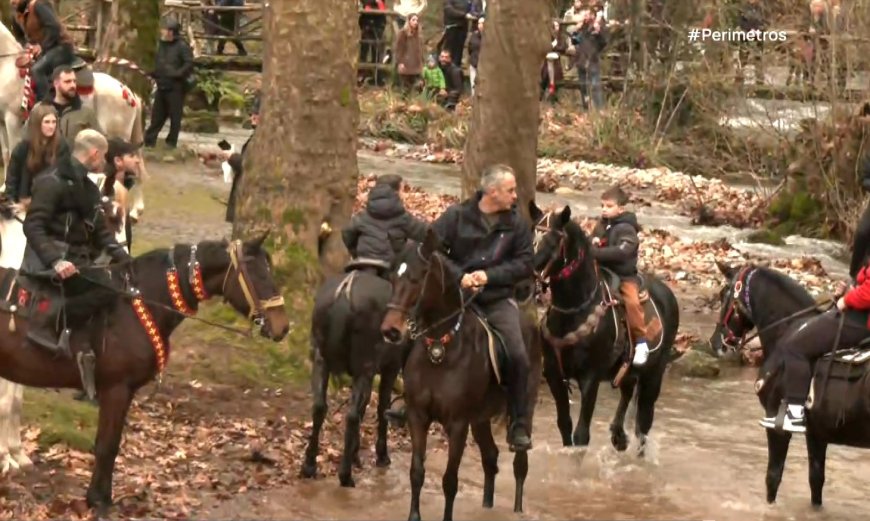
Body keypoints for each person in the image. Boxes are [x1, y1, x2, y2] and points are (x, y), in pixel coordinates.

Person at [405, 165, 534, 451]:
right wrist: (459, 276)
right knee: (410, 332)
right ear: (492, 192)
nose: (515, 196)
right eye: (510, 190)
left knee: (518, 353)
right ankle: (406, 402)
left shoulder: (517, 224)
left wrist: (489, 276)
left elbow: (525, 263)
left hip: (497, 299)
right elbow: (431, 249)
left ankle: (518, 423)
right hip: (455, 296)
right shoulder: (456, 216)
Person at [21, 130, 132, 356]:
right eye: (104, 157)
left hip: (76, 259)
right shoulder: (51, 182)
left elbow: (101, 233)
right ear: (94, 154)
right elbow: (33, 226)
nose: (105, 163)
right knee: (108, 289)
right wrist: (56, 261)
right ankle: (52, 318)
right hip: (48, 262)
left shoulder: (88, 189)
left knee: (118, 281)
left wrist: (128, 261)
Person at [763, 262, 870, 433]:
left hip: (859, 321)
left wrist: (846, 300)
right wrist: (849, 290)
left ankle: (795, 413)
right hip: (859, 317)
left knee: (795, 347)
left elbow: (867, 294)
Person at [590, 186, 649, 367]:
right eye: (602, 205)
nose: (604, 209)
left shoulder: (627, 228)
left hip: (623, 275)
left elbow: (623, 251)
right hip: (602, 271)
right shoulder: (601, 225)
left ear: (621, 208)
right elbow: (592, 241)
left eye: (609, 206)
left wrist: (595, 253)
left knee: (632, 302)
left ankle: (641, 342)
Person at [342, 174, 429, 278]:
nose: (404, 194)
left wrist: (356, 253)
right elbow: (427, 234)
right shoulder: (402, 217)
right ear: (395, 192)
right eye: (402, 190)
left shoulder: (363, 215)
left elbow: (347, 232)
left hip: (362, 262)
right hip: (390, 267)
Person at [10, 0, 75, 103]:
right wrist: (27, 46)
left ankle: (46, 106)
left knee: (37, 70)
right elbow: (19, 37)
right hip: (43, 51)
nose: (12, 1)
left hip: (60, 46)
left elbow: (54, 27)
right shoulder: (16, 15)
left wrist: (41, 46)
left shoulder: (39, 4)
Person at [4, 103, 68, 207]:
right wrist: (12, 204)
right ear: (37, 124)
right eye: (47, 122)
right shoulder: (22, 148)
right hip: (23, 202)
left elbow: (65, 176)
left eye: (54, 122)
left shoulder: (61, 146)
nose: (51, 126)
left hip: (52, 202)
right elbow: (12, 181)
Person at [144, 18, 194, 149]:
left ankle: (171, 142)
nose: (162, 31)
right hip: (162, 85)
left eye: (165, 29)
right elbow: (158, 62)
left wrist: (177, 73)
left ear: (171, 32)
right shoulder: (161, 45)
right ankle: (149, 140)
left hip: (176, 87)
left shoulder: (182, 46)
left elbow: (189, 63)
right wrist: (152, 73)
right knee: (157, 115)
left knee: (175, 116)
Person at [28, 65, 102, 147]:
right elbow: (25, 138)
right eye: (67, 82)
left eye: (74, 81)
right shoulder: (39, 109)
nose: (73, 85)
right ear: (56, 83)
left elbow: (100, 142)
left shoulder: (86, 112)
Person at [225, 94, 260, 223]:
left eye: (257, 114)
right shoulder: (256, 136)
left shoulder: (263, 139)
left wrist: (232, 157)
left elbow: (251, 165)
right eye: (252, 113)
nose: (253, 117)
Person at [394, 14, 424, 94]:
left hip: (416, 64)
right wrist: (400, 62)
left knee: (418, 85)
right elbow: (399, 48)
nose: (415, 22)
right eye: (413, 20)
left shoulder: (418, 34)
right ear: (409, 21)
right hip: (406, 63)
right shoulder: (403, 33)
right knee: (405, 88)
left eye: (417, 20)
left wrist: (422, 61)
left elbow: (420, 50)